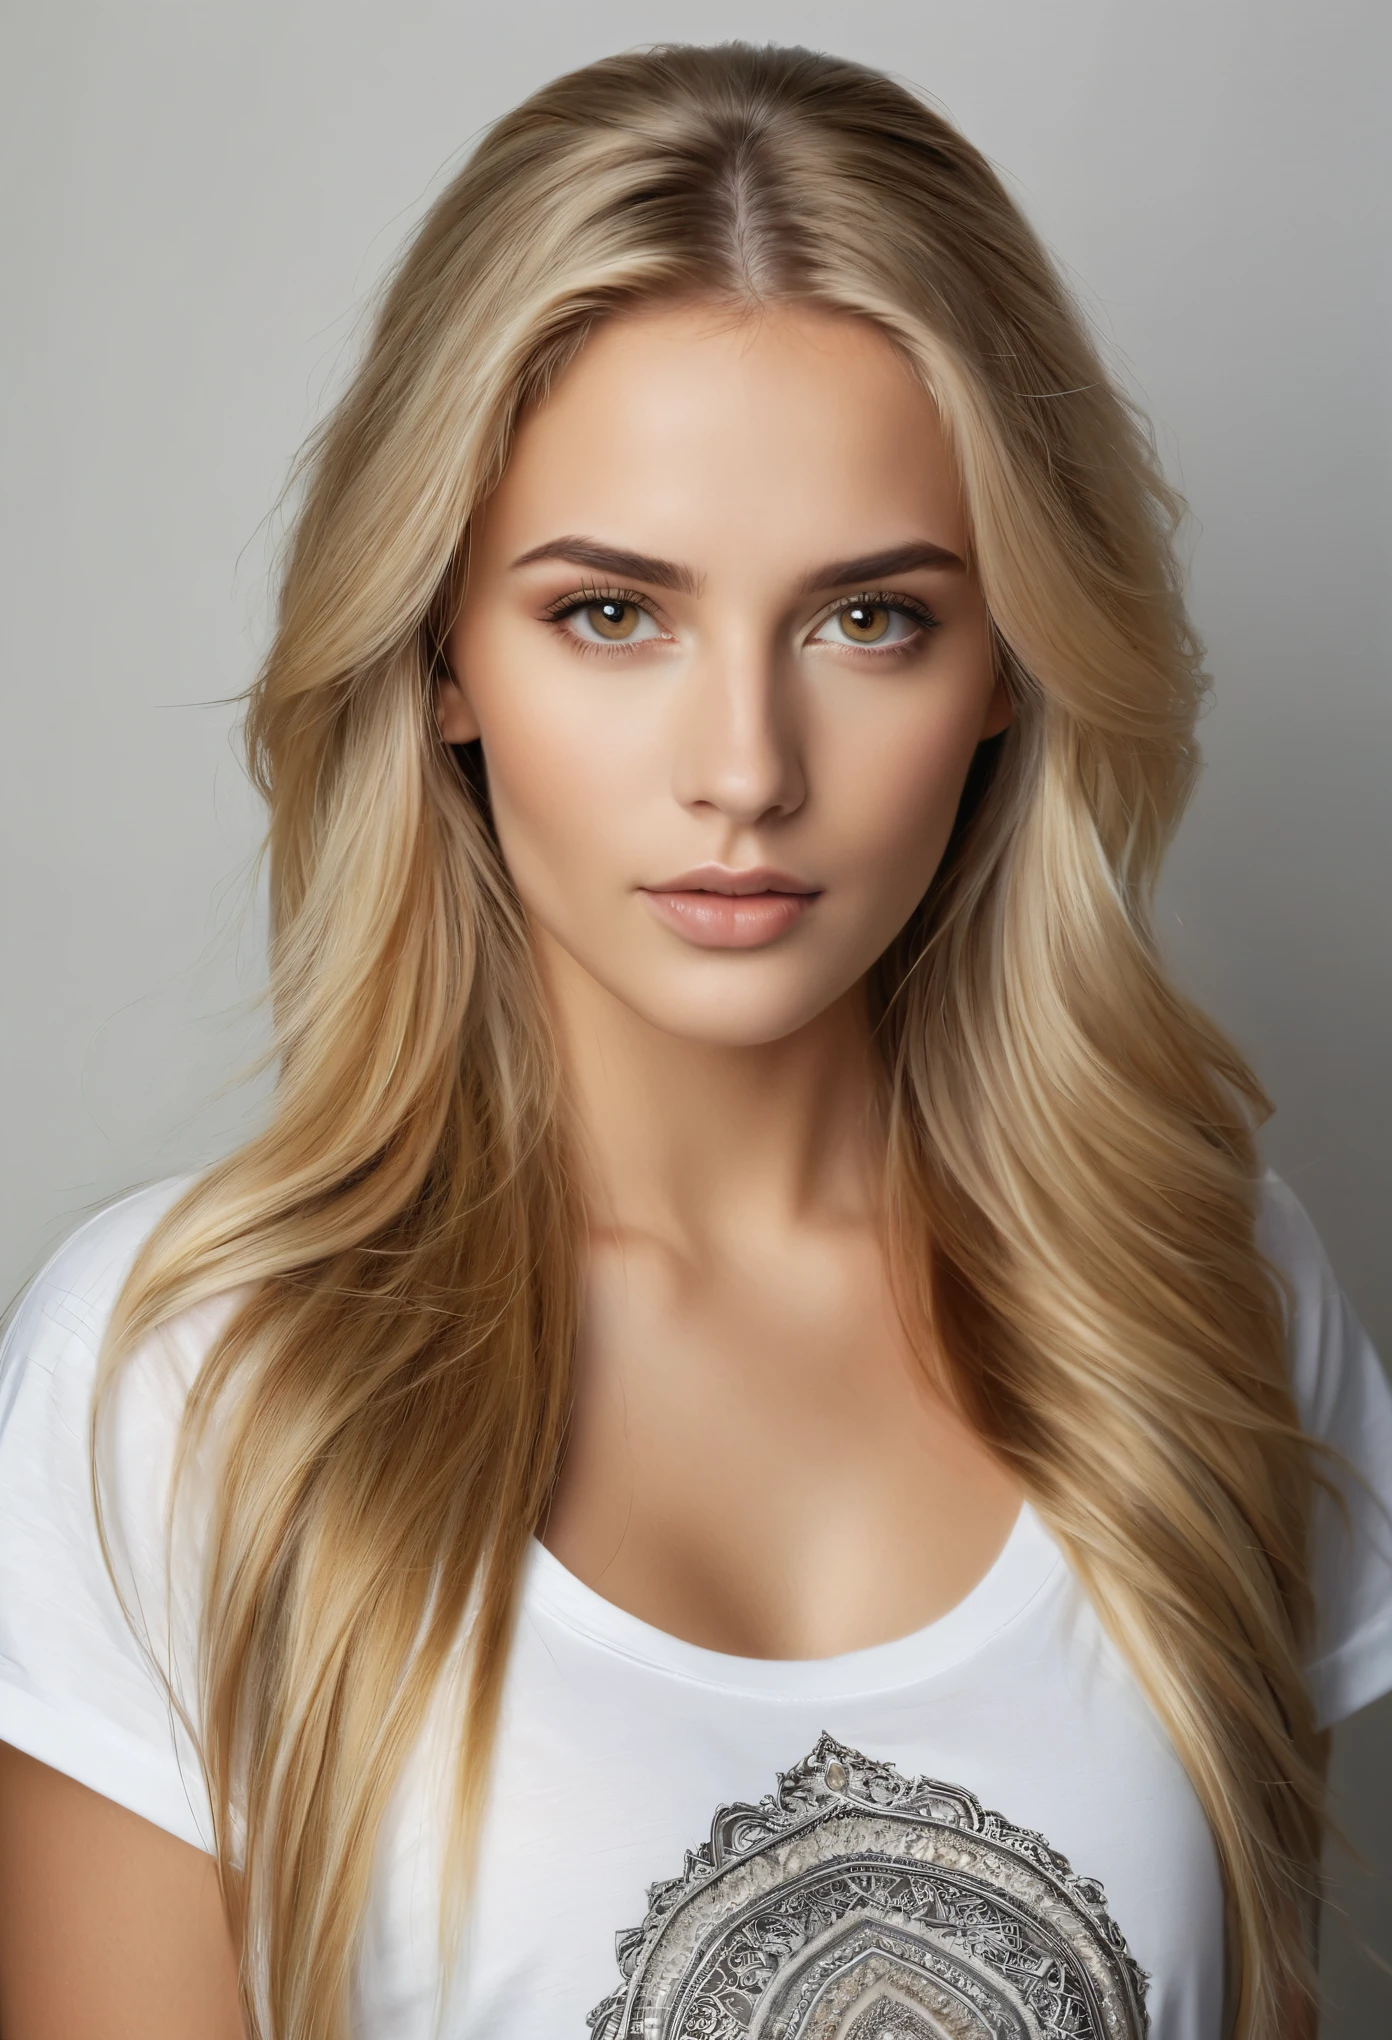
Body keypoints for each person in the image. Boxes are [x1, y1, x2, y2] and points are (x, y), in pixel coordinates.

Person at [0, 40, 1388, 2040]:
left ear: (1010, 665)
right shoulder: (181, 1391)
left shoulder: (1207, 1299)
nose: (745, 769)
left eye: (869, 619)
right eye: (609, 616)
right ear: (441, 658)